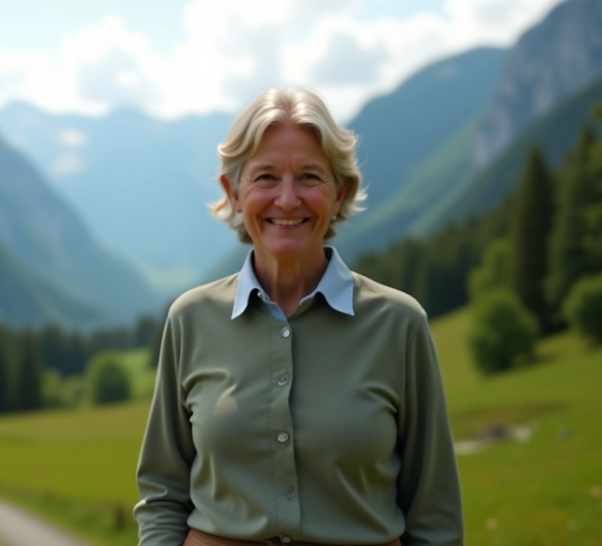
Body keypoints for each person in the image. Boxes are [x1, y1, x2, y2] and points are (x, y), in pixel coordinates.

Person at [134, 88, 463, 546]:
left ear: (339, 191)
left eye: (309, 177)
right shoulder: (190, 320)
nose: (287, 200)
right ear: (233, 191)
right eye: (265, 177)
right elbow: (163, 493)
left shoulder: (399, 324)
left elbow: (435, 515)